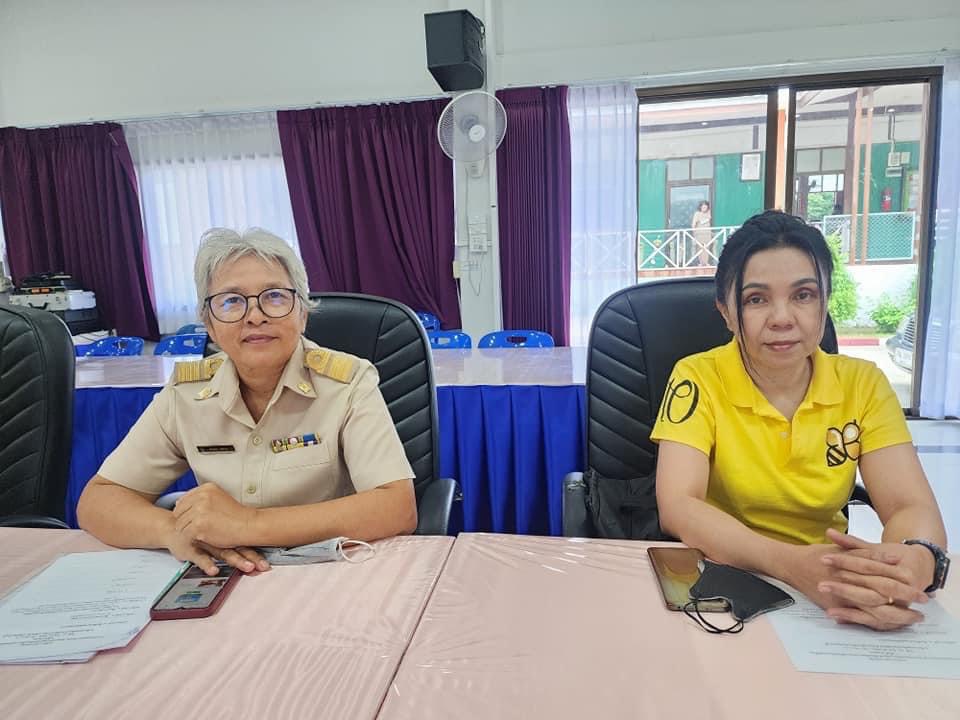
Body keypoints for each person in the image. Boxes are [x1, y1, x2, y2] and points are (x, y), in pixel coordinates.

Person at [651, 210, 948, 631]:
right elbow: (679, 506)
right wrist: (792, 565)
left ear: (825, 302)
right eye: (756, 299)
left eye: (803, 295)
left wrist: (914, 561)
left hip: (826, 589)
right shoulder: (697, 377)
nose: (782, 318)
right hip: (724, 579)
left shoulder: (863, 384)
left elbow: (909, 505)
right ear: (726, 312)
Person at [77, 228, 418, 575]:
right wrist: (171, 530)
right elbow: (99, 500)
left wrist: (248, 524)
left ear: (302, 313)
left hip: (331, 571)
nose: (255, 316)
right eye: (231, 301)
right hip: (224, 573)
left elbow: (396, 507)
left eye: (274, 296)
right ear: (209, 325)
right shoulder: (186, 394)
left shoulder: (348, 383)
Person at [691, 201, 712, 266]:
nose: (704, 207)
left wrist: (708, 212)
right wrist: (693, 232)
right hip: (699, 233)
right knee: (700, 248)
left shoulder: (708, 214)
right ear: (700, 207)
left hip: (707, 233)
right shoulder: (697, 214)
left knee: (706, 247)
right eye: (703, 206)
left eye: (705, 206)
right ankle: (701, 262)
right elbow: (693, 224)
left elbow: (709, 218)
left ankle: (706, 262)